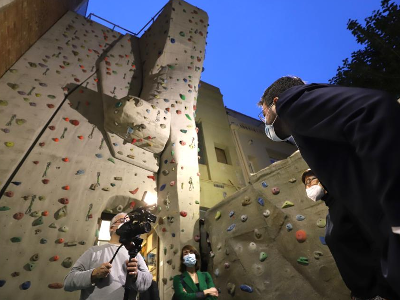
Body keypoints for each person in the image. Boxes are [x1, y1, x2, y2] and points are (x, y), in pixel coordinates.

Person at [258, 76, 400, 300]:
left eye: (264, 113)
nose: (265, 122)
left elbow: (372, 109)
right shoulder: (308, 126)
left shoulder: (290, 102)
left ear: (276, 101)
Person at [302, 169, 390, 300]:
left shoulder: (346, 204)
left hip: (378, 291)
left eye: (311, 179)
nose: (309, 186)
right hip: (361, 294)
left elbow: (376, 242)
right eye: (306, 184)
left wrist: (383, 289)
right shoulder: (330, 215)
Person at [64, 212, 153, 300]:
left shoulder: (135, 253)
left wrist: (136, 275)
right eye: (123, 220)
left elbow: (147, 282)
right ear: (111, 228)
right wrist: (94, 274)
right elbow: (68, 282)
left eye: (129, 222)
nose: (127, 224)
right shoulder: (93, 251)